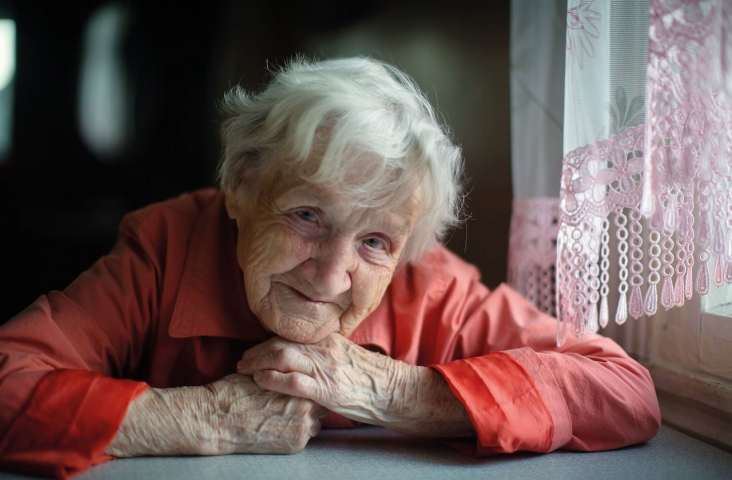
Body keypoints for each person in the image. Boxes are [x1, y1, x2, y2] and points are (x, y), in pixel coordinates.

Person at [0, 57, 661, 479]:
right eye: (308, 216)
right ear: (242, 187)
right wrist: (204, 419)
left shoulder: (429, 286)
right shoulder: (166, 244)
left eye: (375, 241)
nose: (331, 273)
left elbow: (625, 391)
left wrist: (403, 394)